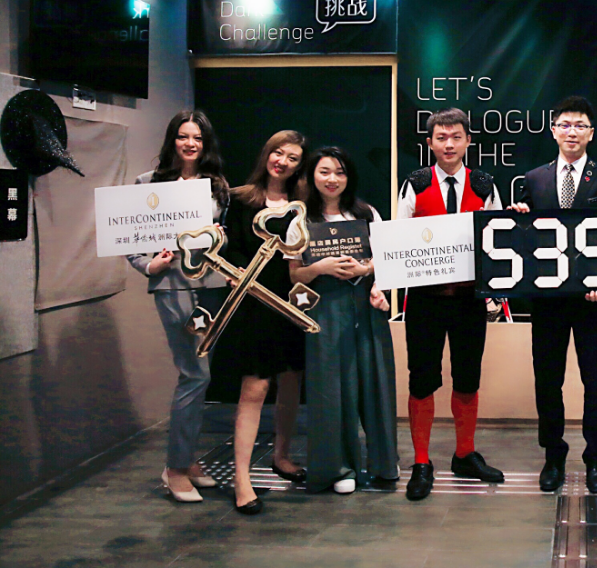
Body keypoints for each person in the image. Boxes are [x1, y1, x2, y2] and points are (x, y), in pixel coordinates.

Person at [510, 96, 597, 494]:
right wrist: (517, 219)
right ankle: (553, 455)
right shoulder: (533, 179)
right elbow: (526, 242)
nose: (571, 132)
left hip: (593, 302)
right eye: (565, 124)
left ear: (591, 133)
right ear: (553, 130)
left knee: (596, 381)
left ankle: (596, 458)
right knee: (548, 380)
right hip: (548, 301)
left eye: (580, 125)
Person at [397, 108, 504, 501]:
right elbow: (400, 240)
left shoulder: (484, 184)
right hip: (424, 301)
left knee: (468, 376)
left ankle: (464, 454)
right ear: (430, 143)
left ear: (468, 141)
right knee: (422, 378)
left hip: (468, 300)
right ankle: (421, 462)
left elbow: (498, 238)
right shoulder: (415, 183)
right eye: (441, 137)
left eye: (456, 136)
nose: (448, 144)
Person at [126, 110, 230, 503]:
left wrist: (218, 237)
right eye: (184, 136)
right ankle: (174, 468)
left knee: (203, 374)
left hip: (212, 286)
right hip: (172, 284)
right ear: (172, 140)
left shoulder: (216, 184)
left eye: (198, 138)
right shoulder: (147, 183)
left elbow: (223, 234)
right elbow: (129, 236)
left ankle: (188, 458)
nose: (191, 144)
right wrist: (147, 265)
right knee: (194, 373)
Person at [290, 147, 399, 495]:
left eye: (339, 172)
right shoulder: (300, 220)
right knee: (331, 387)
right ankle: (337, 467)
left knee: (376, 382)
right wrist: (319, 267)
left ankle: (383, 462)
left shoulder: (365, 213)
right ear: (311, 176)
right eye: (324, 172)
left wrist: (367, 271)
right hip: (325, 309)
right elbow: (294, 274)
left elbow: (386, 258)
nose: (332, 179)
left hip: (366, 306)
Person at [221, 130, 308, 515]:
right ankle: (242, 478)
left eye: (292, 157)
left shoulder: (303, 204)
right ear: (266, 153)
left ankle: (281, 455)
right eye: (278, 152)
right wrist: (234, 271)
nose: (282, 161)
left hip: (293, 302)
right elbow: (230, 247)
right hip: (254, 303)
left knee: (291, 381)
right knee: (254, 389)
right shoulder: (240, 199)